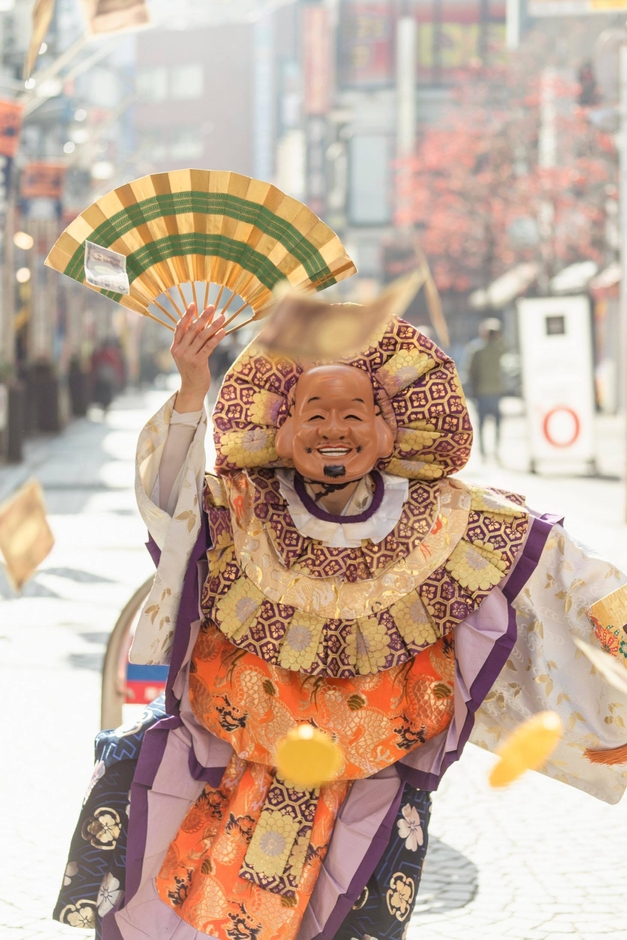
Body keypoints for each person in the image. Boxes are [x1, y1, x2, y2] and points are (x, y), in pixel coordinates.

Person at [54, 301, 627, 940]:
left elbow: (566, 576)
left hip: (368, 784)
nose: (334, 428)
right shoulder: (242, 507)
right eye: (315, 412)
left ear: (389, 432)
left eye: (353, 413)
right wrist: (193, 387)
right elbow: (173, 513)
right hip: (230, 767)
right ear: (282, 424)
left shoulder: (448, 519)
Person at [463, 317, 506, 459]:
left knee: (481, 424)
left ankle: (483, 451)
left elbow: (469, 371)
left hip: (481, 392)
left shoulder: (476, 349)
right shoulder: (500, 348)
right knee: (497, 423)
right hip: (496, 391)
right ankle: (496, 449)